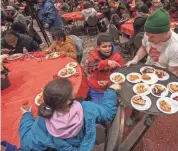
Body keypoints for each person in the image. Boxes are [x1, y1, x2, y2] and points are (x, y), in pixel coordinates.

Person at [19, 78, 120, 151]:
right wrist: (111, 90)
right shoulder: (86, 108)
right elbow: (108, 113)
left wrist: (26, 116)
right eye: (72, 89)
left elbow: (27, 144)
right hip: (87, 145)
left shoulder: (44, 120)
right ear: (68, 101)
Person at [127, 9, 178, 77]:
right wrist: (135, 59)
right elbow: (144, 48)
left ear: (165, 33)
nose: (149, 40)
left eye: (152, 37)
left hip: (163, 76)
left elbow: (172, 74)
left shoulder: (175, 46)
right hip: (147, 69)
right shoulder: (149, 33)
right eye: (147, 35)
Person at [87, 35, 124, 104]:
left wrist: (108, 82)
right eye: (104, 47)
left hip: (111, 87)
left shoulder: (117, 57)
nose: (108, 49)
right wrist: (106, 63)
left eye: (109, 46)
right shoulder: (94, 56)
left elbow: (121, 75)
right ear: (98, 48)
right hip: (96, 87)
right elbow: (89, 69)